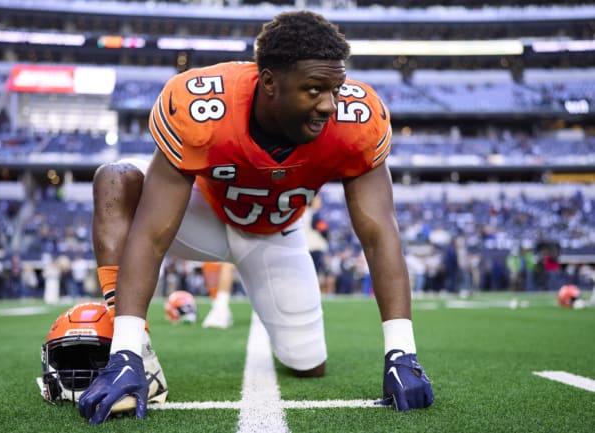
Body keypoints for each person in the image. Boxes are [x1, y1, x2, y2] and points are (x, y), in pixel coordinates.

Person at [80, 10, 433, 425]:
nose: (329, 104)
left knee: (308, 364)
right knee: (116, 180)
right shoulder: (205, 106)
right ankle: (130, 350)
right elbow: (154, 232)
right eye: (314, 89)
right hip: (201, 218)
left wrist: (402, 353)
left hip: (275, 235)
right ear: (269, 82)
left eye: (336, 88)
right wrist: (127, 349)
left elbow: (378, 233)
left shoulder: (358, 120)